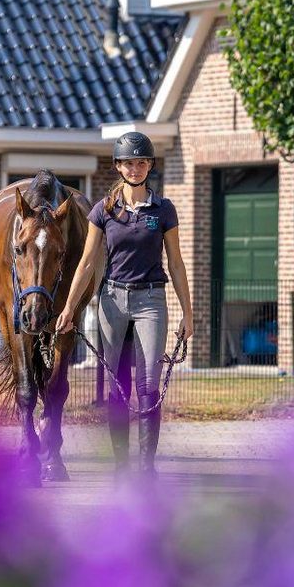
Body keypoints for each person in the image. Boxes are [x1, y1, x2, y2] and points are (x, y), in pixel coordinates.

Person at [56, 131, 192, 475]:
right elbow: (87, 262)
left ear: (150, 165)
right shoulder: (104, 210)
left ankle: (146, 468)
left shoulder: (163, 210)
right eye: (129, 162)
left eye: (142, 162)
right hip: (112, 299)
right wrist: (70, 308)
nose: (135, 168)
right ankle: (120, 467)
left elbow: (175, 263)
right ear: (118, 166)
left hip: (151, 300)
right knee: (117, 383)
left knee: (147, 385)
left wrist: (188, 314)